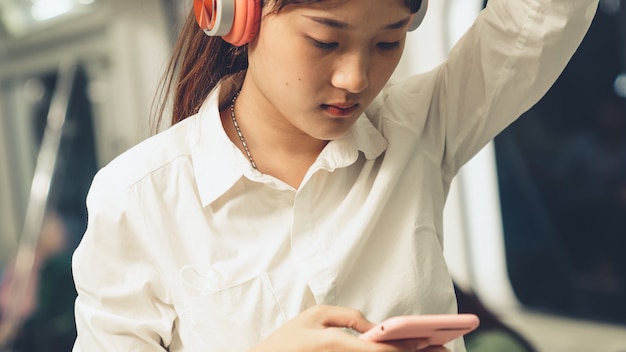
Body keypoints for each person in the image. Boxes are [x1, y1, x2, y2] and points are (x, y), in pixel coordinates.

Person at [71, 0, 597, 351]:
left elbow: (546, 15)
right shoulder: (138, 198)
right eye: (325, 42)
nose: (355, 78)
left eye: (388, 43)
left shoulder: (422, 126)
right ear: (241, 17)